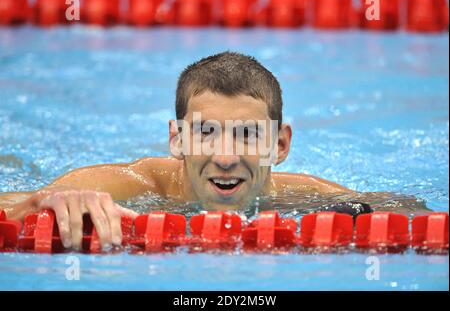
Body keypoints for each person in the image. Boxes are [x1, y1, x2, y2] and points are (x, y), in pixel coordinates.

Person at [0, 52, 425, 251]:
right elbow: (12, 206)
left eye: (246, 134)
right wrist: (42, 200)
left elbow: (414, 214)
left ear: (280, 145)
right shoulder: (131, 185)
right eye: (205, 133)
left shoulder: (309, 196)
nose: (225, 156)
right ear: (177, 140)